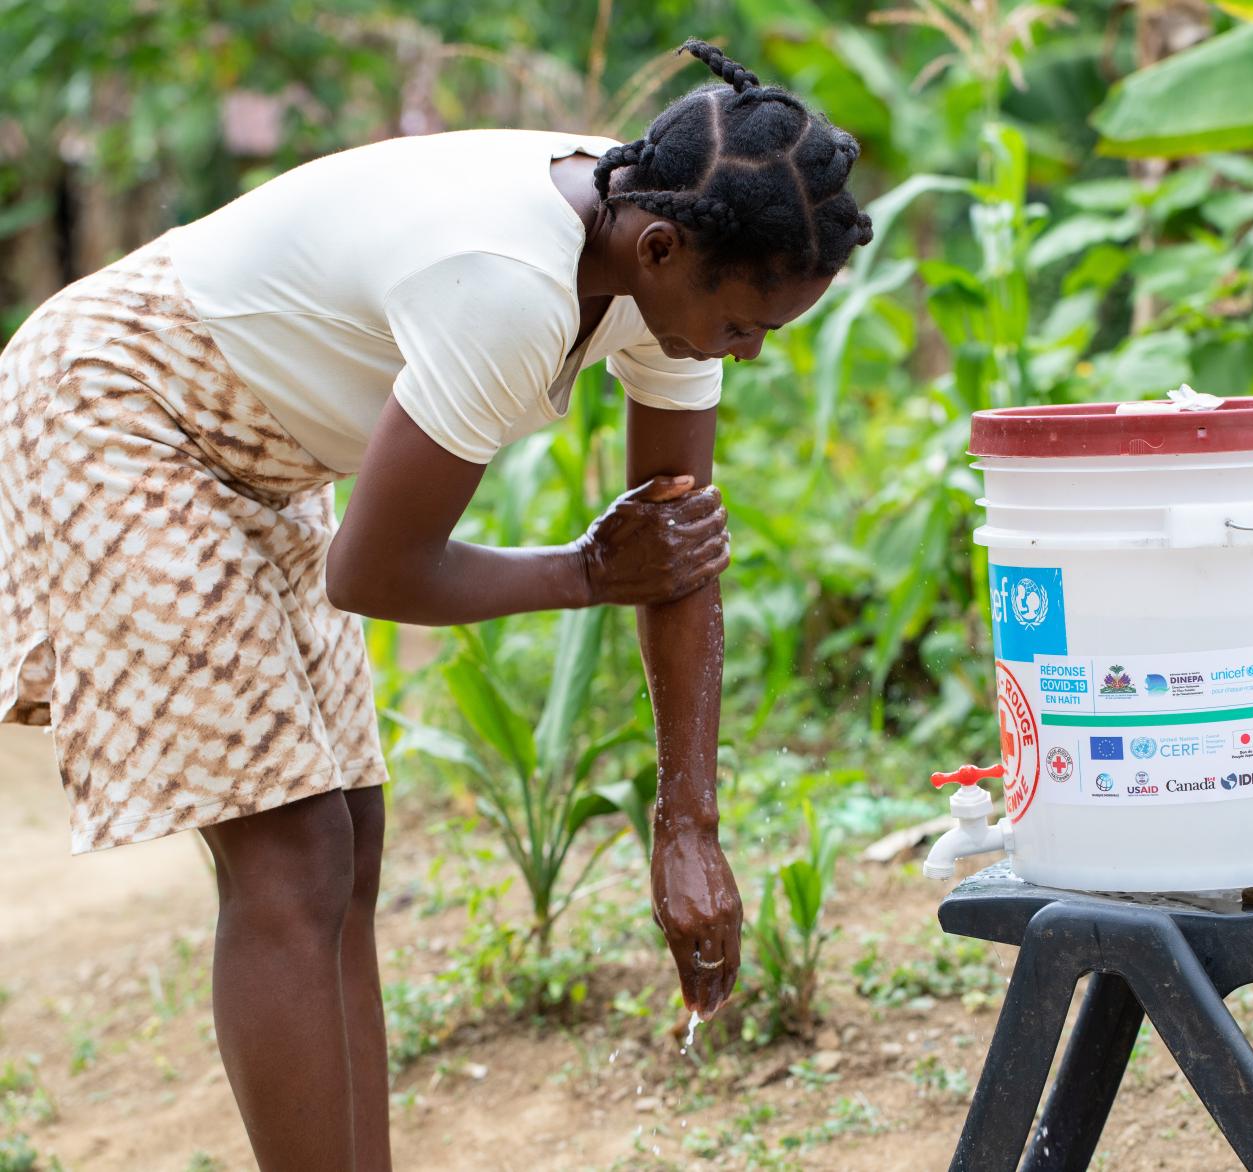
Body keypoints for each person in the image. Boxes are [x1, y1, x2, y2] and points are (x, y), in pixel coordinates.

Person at [0, 39, 871, 1171]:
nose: (746, 354)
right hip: (119, 403)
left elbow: (677, 545)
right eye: (747, 327)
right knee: (291, 853)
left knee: (347, 838)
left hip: (258, 449)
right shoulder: (507, 281)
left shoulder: (676, 249)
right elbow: (375, 573)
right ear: (661, 251)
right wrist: (585, 572)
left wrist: (687, 826)